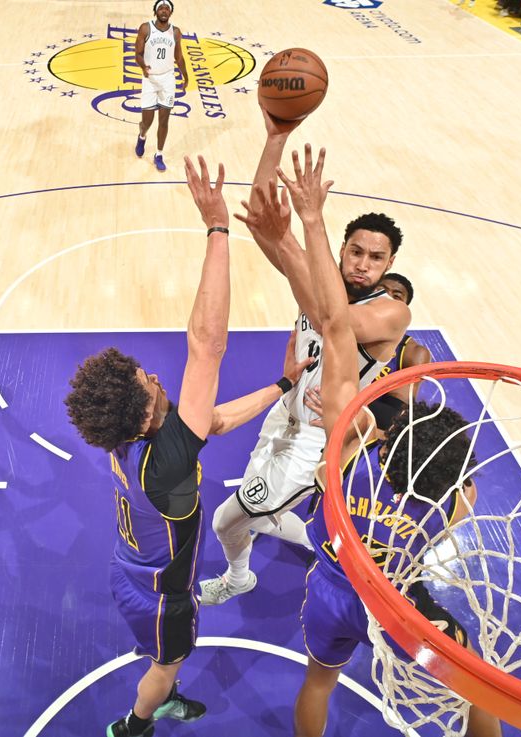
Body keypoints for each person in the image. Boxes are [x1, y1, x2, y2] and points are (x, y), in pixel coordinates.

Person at [64, 156, 310, 737]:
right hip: (162, 595)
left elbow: (215, 421)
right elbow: (207, 345)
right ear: (148, 411)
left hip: (132, 570)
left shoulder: (129, 440)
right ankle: (138, 722)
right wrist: (218, 228)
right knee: (165, 662)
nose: (154, 374)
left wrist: (284, 385)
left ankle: (157, 694)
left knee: (162, 654)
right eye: (150, 380)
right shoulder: (167, 459)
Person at [279, 144, 502, 737]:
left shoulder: (347, 458)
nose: (365, 264)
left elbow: (336, 340)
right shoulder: (453, 503)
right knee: (478, 680)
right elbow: (463, 489)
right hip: (397, 594)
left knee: (317, 681)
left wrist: (304, 222)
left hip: (337, 561)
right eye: (358, 252)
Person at [198, 109, 411, 607]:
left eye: (375, 258)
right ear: (342, 248)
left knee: (227, 519)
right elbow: (262, 219)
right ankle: (332, 538)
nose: (362, 264)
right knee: (265, 508)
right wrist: (277, 137)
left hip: (319, 435)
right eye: (355, 251)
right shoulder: (321, 275)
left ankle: (239, 576)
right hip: (287, 407)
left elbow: (330, 316)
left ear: (389, 265)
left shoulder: (390, 313)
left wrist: (295, 231)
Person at [303, 272, 433, 429]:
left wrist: (342, 408)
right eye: (381, 291)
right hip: (309, 409)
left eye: (396, 297)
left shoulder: (413, 353)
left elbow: (394, 417)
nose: (388, 299)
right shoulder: (342, 326)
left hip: (357, 427)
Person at [134, 0, 188, 172]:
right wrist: (143, 66)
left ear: (170, 13)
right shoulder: (145, 28)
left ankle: (159, 154)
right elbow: (137, 54)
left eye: (167, 8)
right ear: (155, 11)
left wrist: (185, 76)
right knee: (147, 121)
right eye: (161, 8)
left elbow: (179, 57)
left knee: (164, 120)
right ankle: (142, 135)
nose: (164, 11)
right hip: (150, 79)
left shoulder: (176, 32)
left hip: (167, 80)